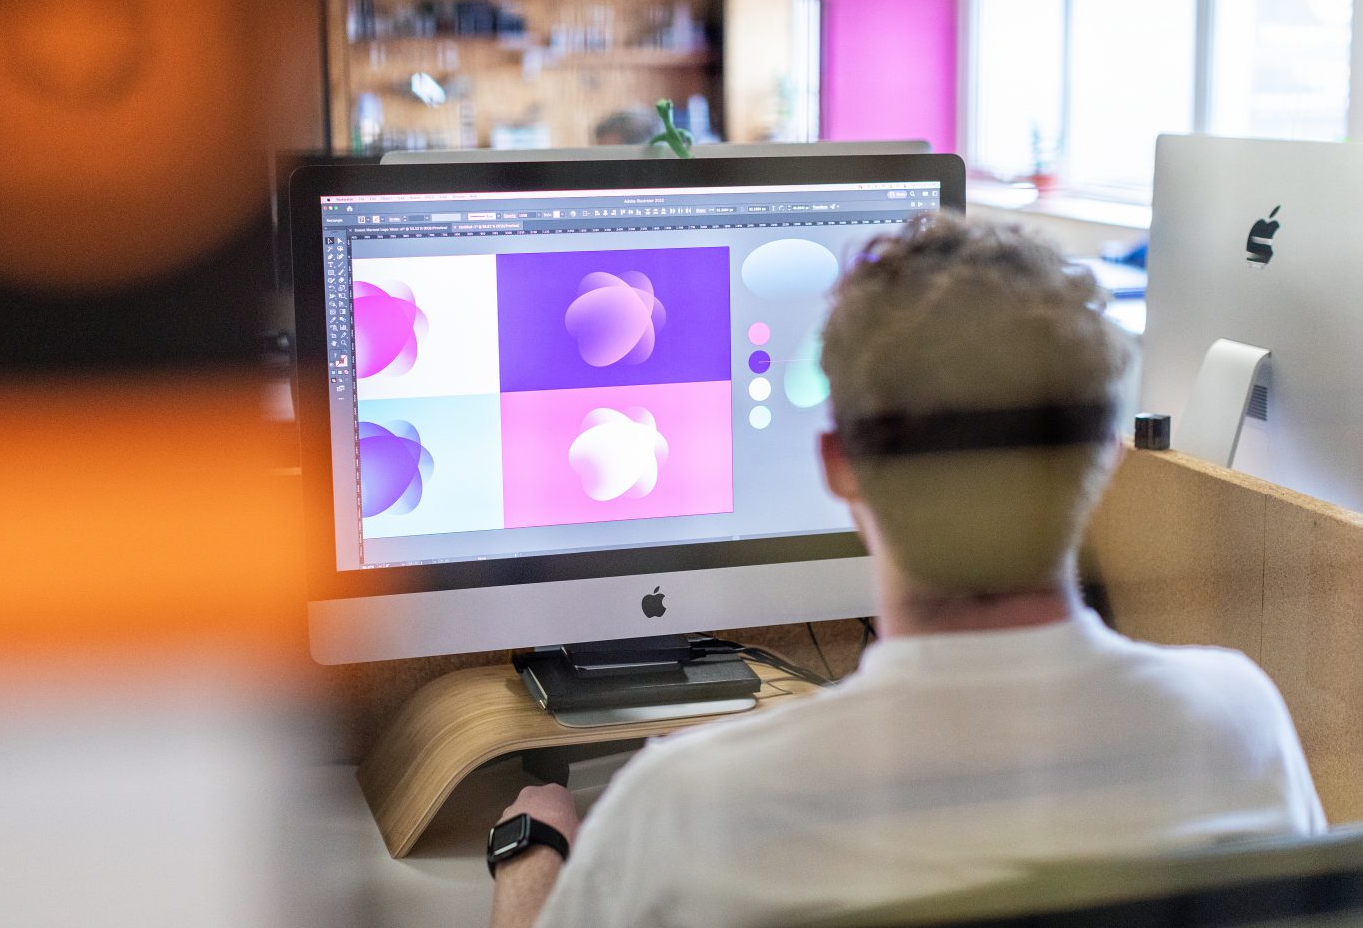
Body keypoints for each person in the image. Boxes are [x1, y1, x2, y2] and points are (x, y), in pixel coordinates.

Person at [486, 215, 1326, 928]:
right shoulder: (1240, 724)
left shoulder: (685, 809)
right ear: (1107, 462)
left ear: (840, 464)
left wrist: (532, 855)